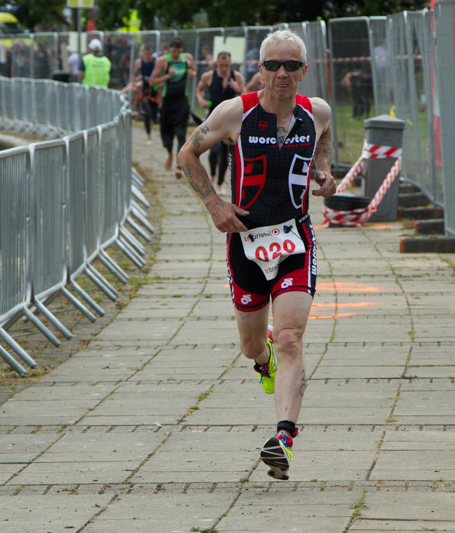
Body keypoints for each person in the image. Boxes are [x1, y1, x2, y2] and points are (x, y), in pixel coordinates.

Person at [177, 29, 336, 481]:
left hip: (294, 241)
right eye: (272, 65)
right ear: (260, 70)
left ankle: (283, 439)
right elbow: (189, 153)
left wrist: (324, 173)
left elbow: (323, 144)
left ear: (303, 71)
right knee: (254, 344)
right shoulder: (235, 113)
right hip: (245, 243)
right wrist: (214, 204)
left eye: (290, 65)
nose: (281, 73)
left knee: (289, 337)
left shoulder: (317, 111)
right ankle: (262, 362)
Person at [195, 51, 246, 195]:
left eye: (227, 65)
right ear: (217, 64)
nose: (224, 68)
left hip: (230, 121)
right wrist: (200, 99)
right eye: (222, 65)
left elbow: (246, 96)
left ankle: (219, 183)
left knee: (225, 155)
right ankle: (212, 175)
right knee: (214, 151)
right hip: (214, 119)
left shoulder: (237, 77)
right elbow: (199, 89)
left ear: (230, 64)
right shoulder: (209, 76)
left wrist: (238, 90)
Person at [150, 36, 197, 178]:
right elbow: (152, 81)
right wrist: (167, 76)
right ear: (170, 49)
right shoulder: (163, 61)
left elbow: (194, 72)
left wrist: (191, 72)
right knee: (167, 135)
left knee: (181, 133)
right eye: (173, 51)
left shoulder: (187, 58)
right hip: (168, 101)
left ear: (181, 50)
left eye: (178, 51)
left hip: (182, 100)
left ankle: (178, 165)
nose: (176, 54)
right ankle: (170, 154)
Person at [133, 45, 160, 145]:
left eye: (150, 53)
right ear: (143, 52)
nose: (148, 56)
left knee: (154, 114)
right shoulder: (139, 63)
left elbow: (160, 72)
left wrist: (160, 81)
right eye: (146, 53)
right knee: (147, 113)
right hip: (144, 90)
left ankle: (150, 128)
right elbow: (134, 74)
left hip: (154, 90)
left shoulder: (156, 61)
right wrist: (134, 85)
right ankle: (149, 137)